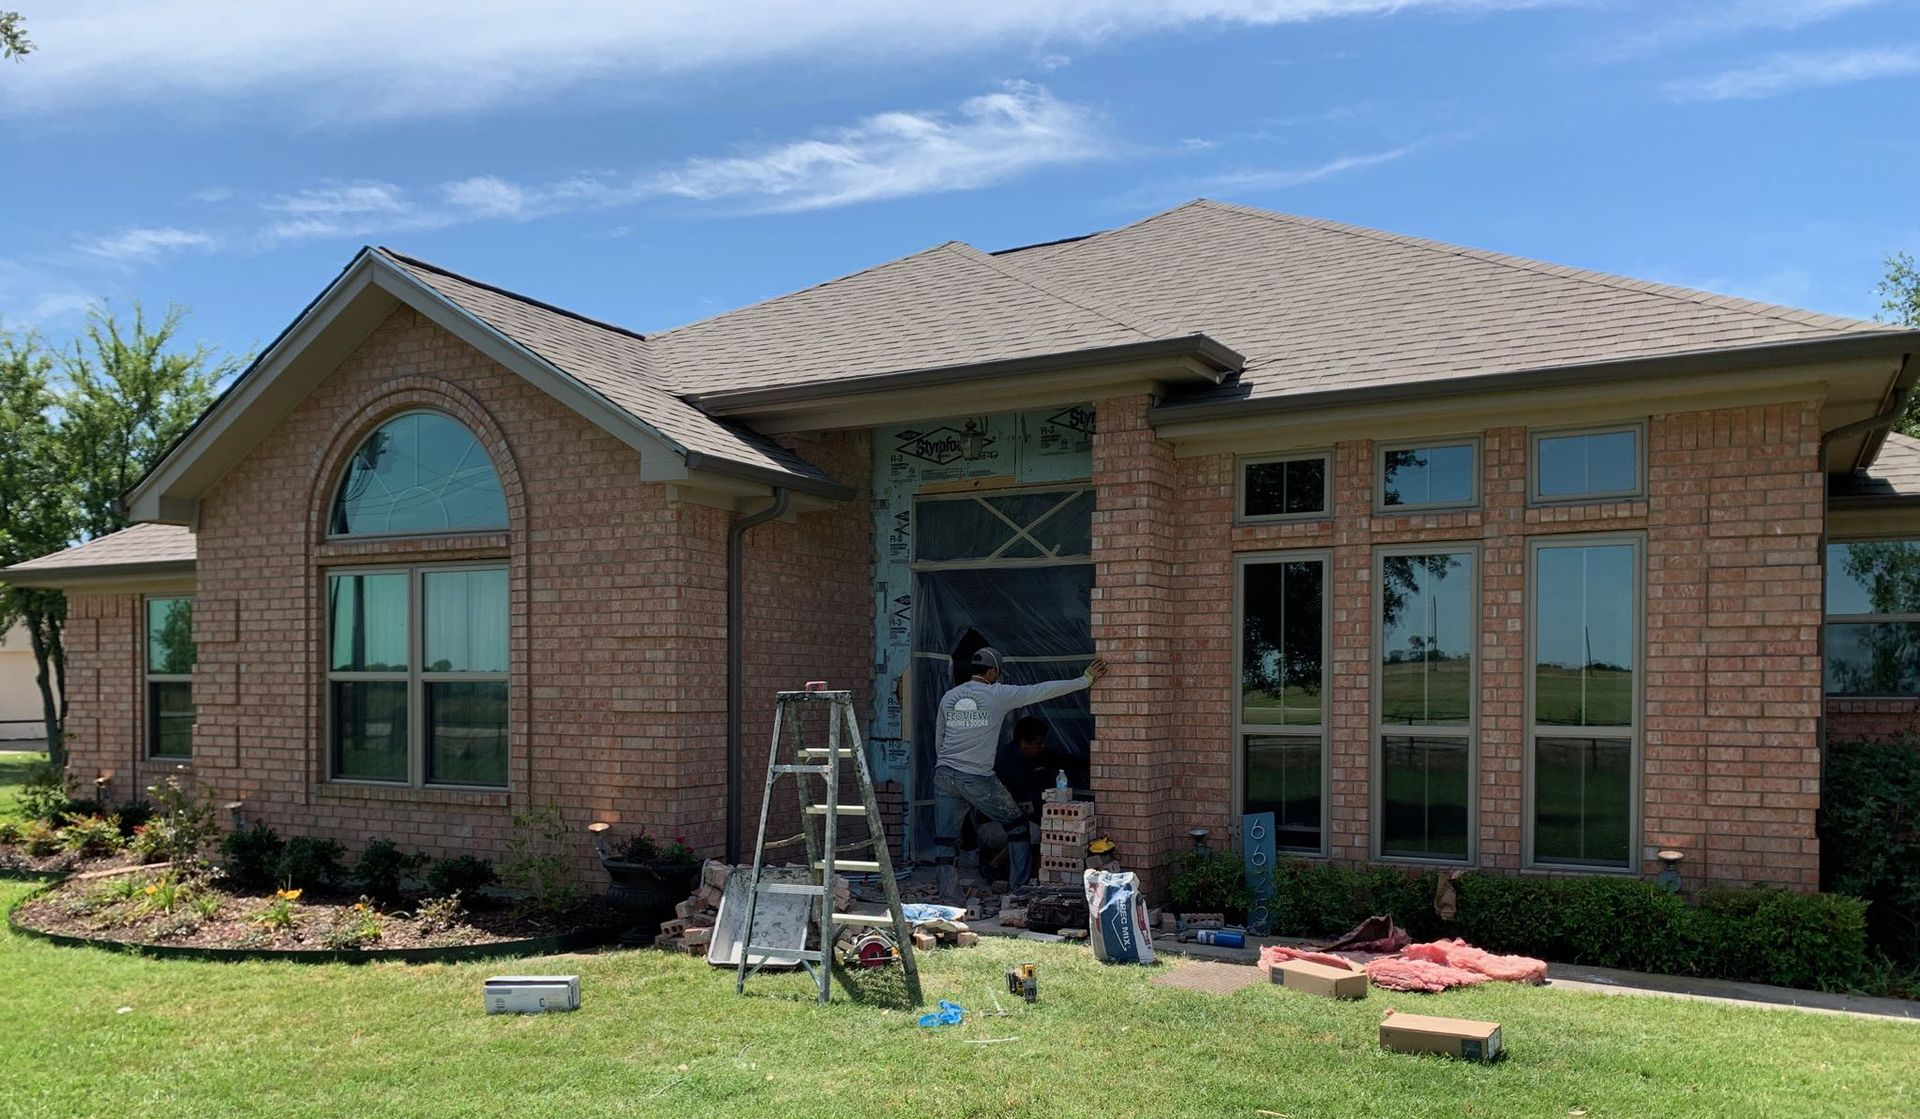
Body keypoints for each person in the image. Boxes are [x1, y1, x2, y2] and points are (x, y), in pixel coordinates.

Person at [932, 647, 1106, 901]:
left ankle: (950, 899)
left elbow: (940, 738)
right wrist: (1084, 680)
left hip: (944, 774)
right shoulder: (997, 694)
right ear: (992, 671)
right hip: (976, 776)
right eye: (998, 673)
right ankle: (1019, 889)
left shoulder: (949, 697)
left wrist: (948, 767)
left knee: (945, 841)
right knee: (1017, 826)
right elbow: (1041, 690)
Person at [996, 715, 1089, 826]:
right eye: (1038, 743)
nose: (1043, 746)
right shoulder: (1004, 762)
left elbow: (1065, 759)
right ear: (1024, 743)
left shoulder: (1041, 755)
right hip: (1009, 820)